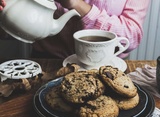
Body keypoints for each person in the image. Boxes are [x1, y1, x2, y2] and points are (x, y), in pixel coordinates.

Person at [0, 0, 150, 59]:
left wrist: (78, 5)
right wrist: (7, 14)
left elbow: (132, 37)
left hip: (108, 66)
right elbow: (12, 30)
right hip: (47, 62)